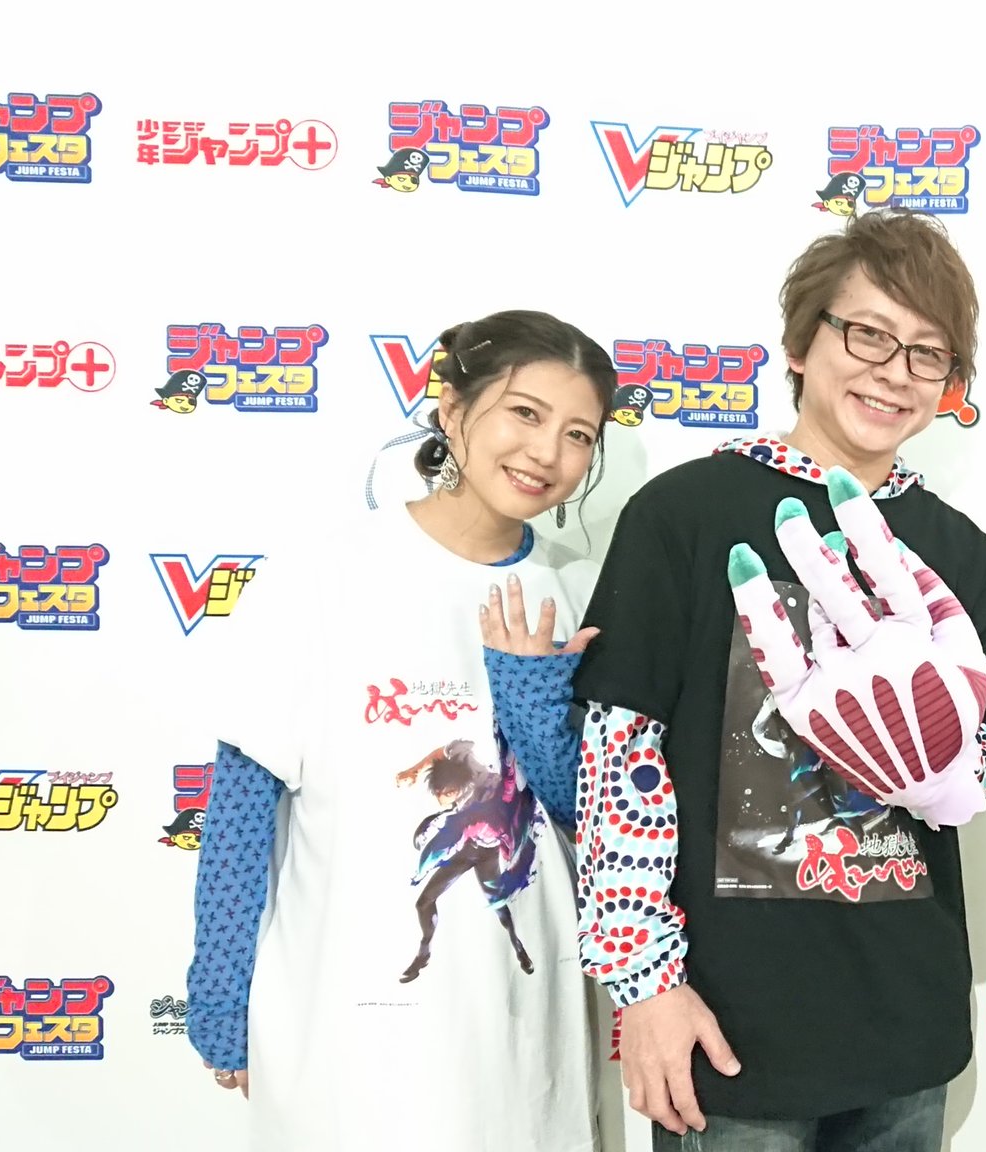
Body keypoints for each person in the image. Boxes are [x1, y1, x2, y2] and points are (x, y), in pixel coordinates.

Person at [567, 208, 986, 1150]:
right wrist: (644, 984)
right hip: (729, 1029)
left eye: (927, 353)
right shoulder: (684, 515)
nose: (894, 372)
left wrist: (937, 761)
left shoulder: (962, 555)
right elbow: (620, 755)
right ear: (802, 345)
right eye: (868, 334)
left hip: (907, 1022)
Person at [183, 309, 618, 1152]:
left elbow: (597, 822)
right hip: (349, 1033)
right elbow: (241, 805)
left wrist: (532, 699)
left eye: (578, 435)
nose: (546, 453)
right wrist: (222, 995)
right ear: (452, 409)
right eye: (524, 414)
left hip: (521, 1030)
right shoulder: (326, 574)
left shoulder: (577, 592)